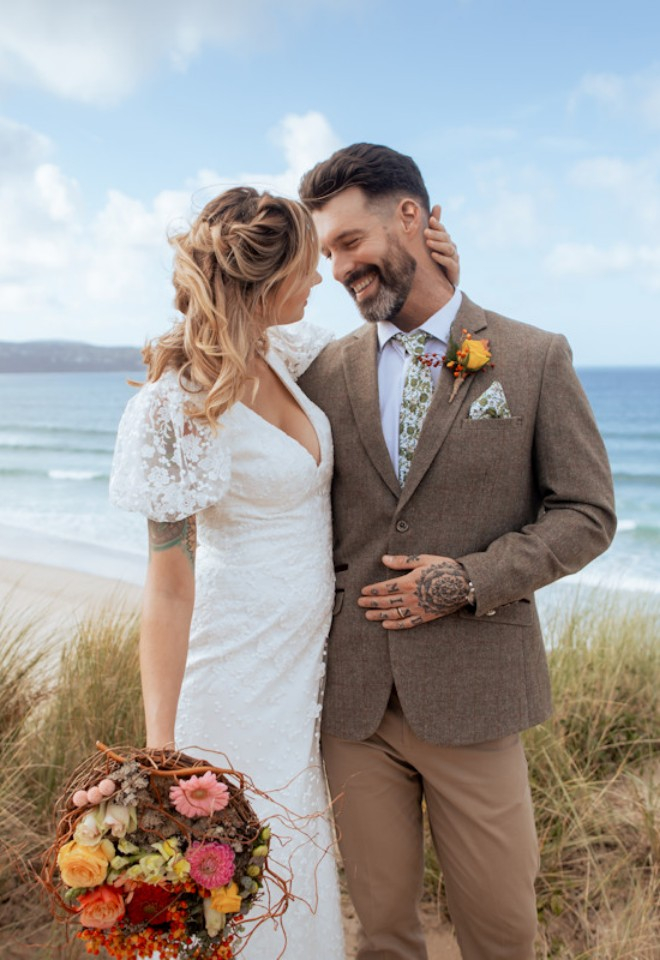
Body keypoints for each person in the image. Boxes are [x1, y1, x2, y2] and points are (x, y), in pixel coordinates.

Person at [109, 185, 459, 958]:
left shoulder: (289, 355)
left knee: (293, 877)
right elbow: (168, 586)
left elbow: (406, 357)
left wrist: (440, 280)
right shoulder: (178, 407)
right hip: (231, 684)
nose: (322, 279)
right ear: (263, 285)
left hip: (300, 689)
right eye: (309, 265)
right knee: (228, 897)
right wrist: (161, 752)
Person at [297, 143, 617, 960]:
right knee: (383, 933)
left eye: (348, 243)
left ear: (412, 217)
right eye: (326, 251)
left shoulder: (533, 356)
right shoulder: (323, 372)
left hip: (477, 703)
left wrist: (469, 579)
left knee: (502, 933)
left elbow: (586, 512)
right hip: (354, 707)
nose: (336, 268)